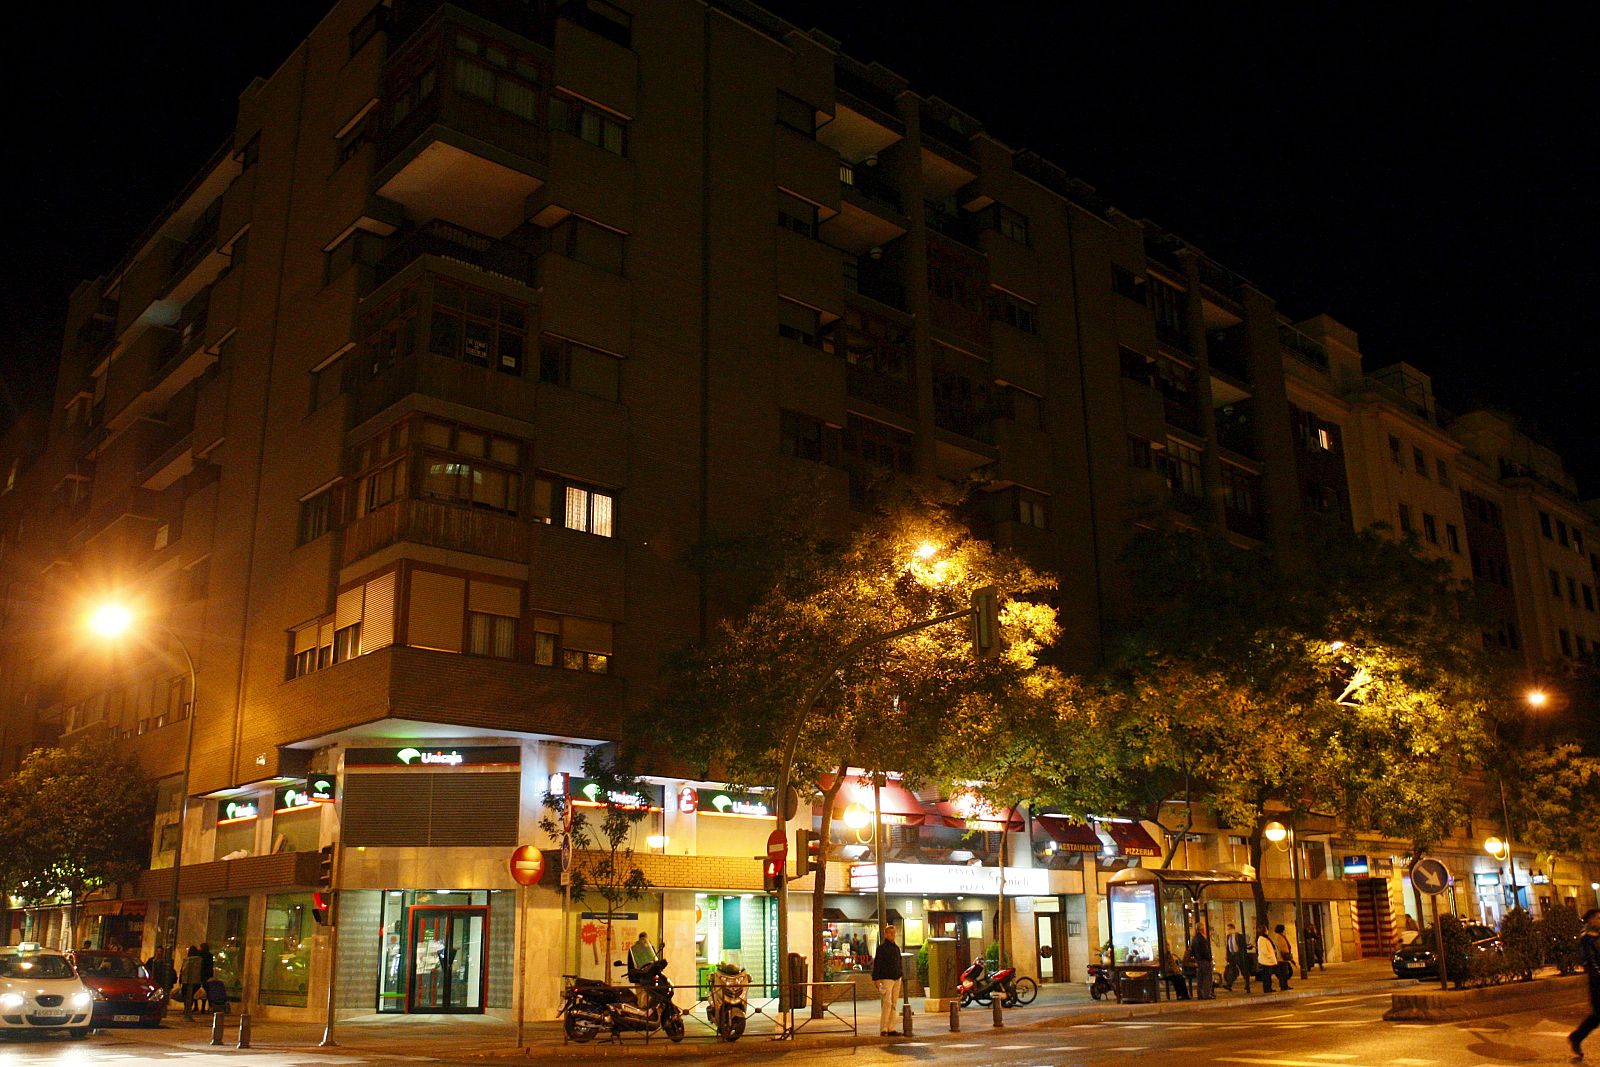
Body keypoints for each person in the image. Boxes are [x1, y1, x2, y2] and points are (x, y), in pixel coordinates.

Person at [1570, 907, 1600, 1061]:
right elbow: (1590, 962)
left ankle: (1576, 1037)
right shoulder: (1586, 939)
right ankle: (1576, 1037)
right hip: (1597, 984)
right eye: (1597, 918)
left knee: (1596, 1017)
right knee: (1597, 1016)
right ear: (1590, 920)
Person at [871, 926, 903, 1037]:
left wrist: (900, 974)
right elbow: (877, 964)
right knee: (887, 1003)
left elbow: (899, 962)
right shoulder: (881, 949)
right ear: (885, 934)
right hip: (886, 979)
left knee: (894, 1004)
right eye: (890, 933)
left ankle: (891, 1028)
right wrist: (876, 979)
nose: (892, 935)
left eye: (894, 933)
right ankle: (884, 1028)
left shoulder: (896, 948)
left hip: (896, 978)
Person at [1190, 919, 1215, 999]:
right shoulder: (1202, 939)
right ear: (1202, 929)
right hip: (1205, 960)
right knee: (1207, 978)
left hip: (1199, 960)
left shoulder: (1194, 939)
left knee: (1200, 979)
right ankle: (1206, 995)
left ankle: (1200, 994)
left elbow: (1192, 951)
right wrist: (1209, 958)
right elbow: (1205, 950)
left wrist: (1196, 958)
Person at [1255, 924, 1282, 992]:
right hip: (1266, 961)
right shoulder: (1262, 939)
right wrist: (1270, 957)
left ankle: (1268, 988)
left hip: (1268, 960)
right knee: (1267, 976)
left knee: (1268, 975)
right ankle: (1267, 988)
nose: (1267, 931)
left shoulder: (1265, 938)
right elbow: (1264, 951)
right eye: (1266, 929)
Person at [1222, 922, 1248, 991]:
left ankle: (1247, 984)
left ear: (1232, 929)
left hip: (1238, 955)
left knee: (1243, 970)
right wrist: (1227, 955)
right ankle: (1229, 985)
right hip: (1232, 956)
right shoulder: (1228, 937)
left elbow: (1243, 946)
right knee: (1231, 970)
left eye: (1228, 929)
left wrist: (1242, 955)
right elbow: (1228, 947)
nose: (1227, 931)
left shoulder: (1239, 936)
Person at [180, 946, 203, 1020]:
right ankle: (188, 1010)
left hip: (186, 981)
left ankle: (187, 1010)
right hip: (195, 981)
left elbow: (182, 970)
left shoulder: (187, 960)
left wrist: (181, 980)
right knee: (191, 996)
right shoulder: (199, 960)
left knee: (187, 996)